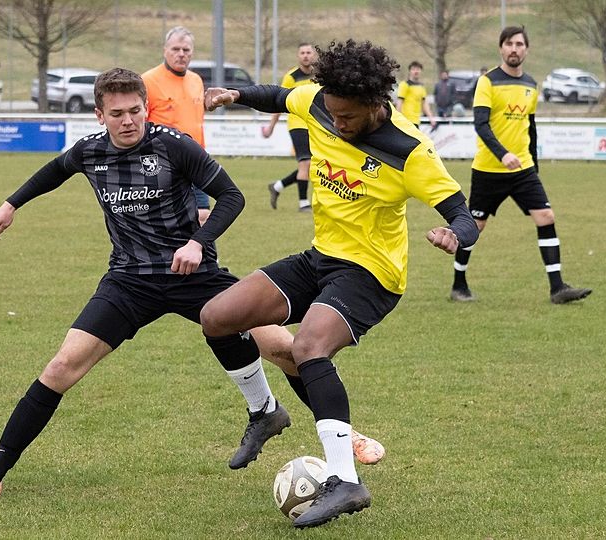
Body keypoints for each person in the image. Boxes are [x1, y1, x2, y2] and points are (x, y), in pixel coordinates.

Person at [0, 68, 383, 500]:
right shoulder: (89, 152)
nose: (128, 120)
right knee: (61, 368)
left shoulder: (175, 146)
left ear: (146, 108)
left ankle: (346, 439)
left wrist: (198, 242)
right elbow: (53, 172)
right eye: (117, 114)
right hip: (128, 282)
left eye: (136, 110)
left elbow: (232, 197)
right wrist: (10, 204)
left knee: (287, 350)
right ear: (100, 115)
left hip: (197, 277)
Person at [201, 39, 479, 528]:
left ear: (375, 105)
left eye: (347, 117)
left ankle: (346, 480)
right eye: (331, 113)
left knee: (309, 347)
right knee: (217, 317)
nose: (336, 124)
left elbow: (462, 211)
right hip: (321, 257)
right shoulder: (320, 101)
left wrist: (453, 233)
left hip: (372, 274)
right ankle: (265, 412)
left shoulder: (409, 150)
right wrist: (236, 95)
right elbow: (280, 97)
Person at [449, 26, 591, 305]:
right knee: (474, 226)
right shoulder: (487, 82)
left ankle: (557, 288)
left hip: (523, 170)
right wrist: (502, 154)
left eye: (519, 44)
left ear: (526, 49)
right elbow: (481, 124)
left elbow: (531, 128)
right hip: (489, 170)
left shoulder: (531, 85)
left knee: (546, 217)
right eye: (509, 44)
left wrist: (533, 165)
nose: (514, 48)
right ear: (501, 48)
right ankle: (459, 284)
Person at [142, 26, 212, 226]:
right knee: (166, 218)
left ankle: (205, 257)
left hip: (195, 159)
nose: (181, 54)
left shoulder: (196, 80)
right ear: (165, 50)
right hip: (162, 162)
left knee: (203, 214)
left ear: (192, 52)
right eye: (175, 49)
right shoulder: (148, 80)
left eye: (186, 50)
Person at [262, 43, 318, 212]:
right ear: (298, 56)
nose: (306, 56)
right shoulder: (291, 77)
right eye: (302, 52)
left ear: (314, 55)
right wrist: (271, 127)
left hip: (314, 124)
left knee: (312, 164)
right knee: (306, 162)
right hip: (297, 124)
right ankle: (303, 204)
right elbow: (279, 102)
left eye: (309, 52)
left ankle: (278, 186)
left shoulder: (319, 75)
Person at [395, 61, 436, 130]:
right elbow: (399, 102)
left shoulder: (421, 87)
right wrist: (397, 119)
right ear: (410, 71)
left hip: (416, 121)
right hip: (406, 121)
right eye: (413, 69)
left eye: (418, 69)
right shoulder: (404, 85)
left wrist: (431, 118)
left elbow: (425, 104)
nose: (416, 71)